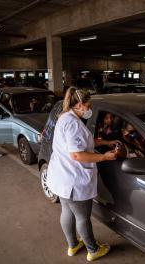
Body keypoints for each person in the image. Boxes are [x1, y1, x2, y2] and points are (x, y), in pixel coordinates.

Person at [47, 87, 117, 261]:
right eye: (88, 105)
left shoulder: (66, 117)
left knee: (67, 211)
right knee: (82, 218)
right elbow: (77, 154)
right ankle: (93, 250)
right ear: (79, 104)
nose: (89, 108)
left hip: (62, 177)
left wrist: (106, 141)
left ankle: (73, 245)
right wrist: (104, 157)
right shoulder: (72, 123)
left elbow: (85, 141)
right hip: (73, 180)